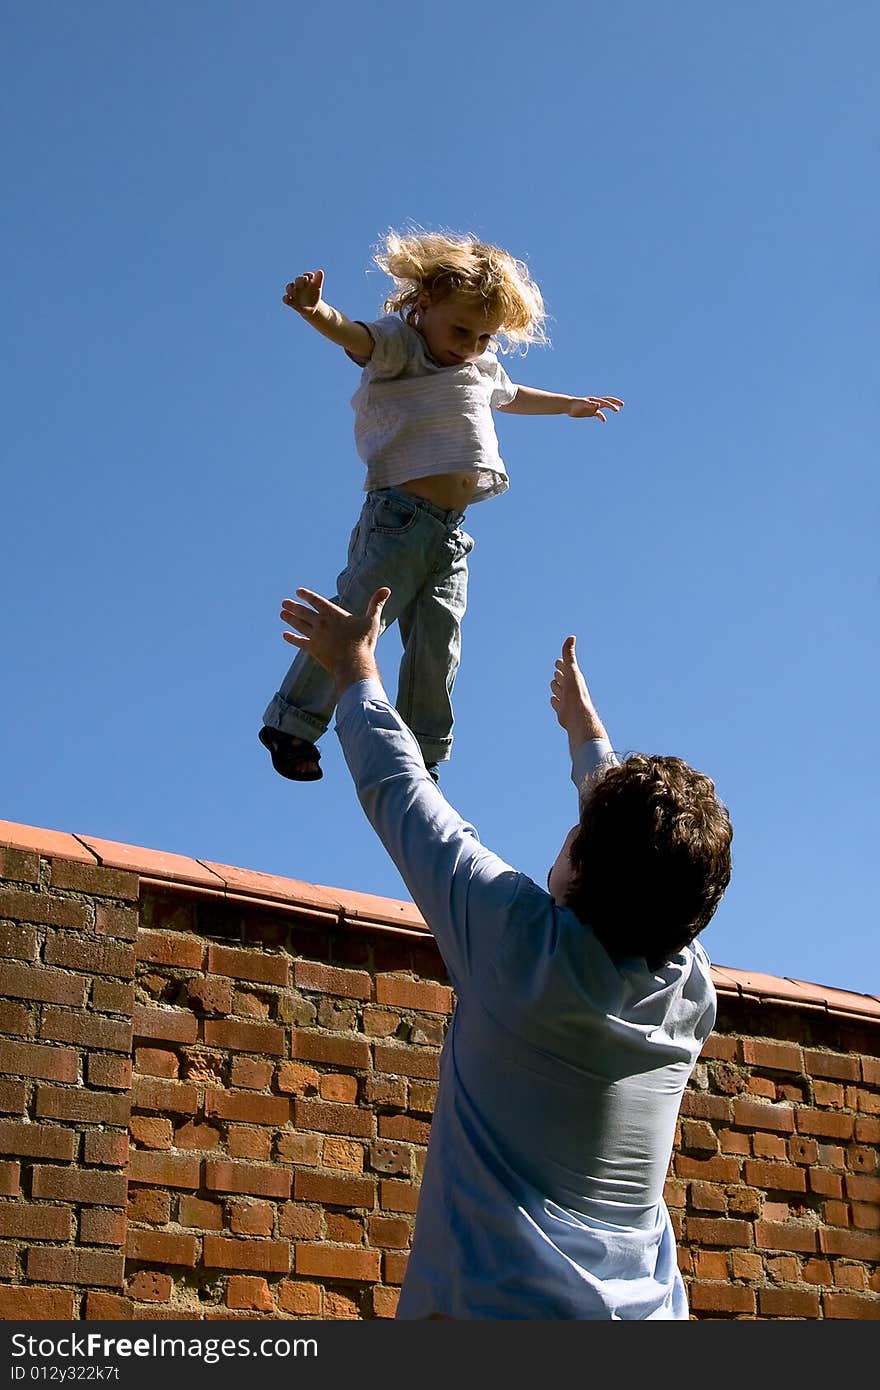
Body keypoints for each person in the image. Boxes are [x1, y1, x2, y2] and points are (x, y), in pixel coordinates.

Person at [278, 583, 733, 1320]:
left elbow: (401, 791)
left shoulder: (518, 946)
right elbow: (651, 868)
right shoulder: (688, 993)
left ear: (582, 865)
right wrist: (588, 740)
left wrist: (353, 667)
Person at [260, 229, 623, 783]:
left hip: (453, 536)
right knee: (358, 621)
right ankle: (293, 722)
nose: (470, 346)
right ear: (423, 305)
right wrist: (316, 311)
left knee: (439, 645)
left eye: (484, 337)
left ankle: (421, 756)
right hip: (398, 517)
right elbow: (353, 336)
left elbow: (514, 394)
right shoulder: (401, 346)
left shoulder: (479, 365)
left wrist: (570, 405)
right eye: (460, 329)